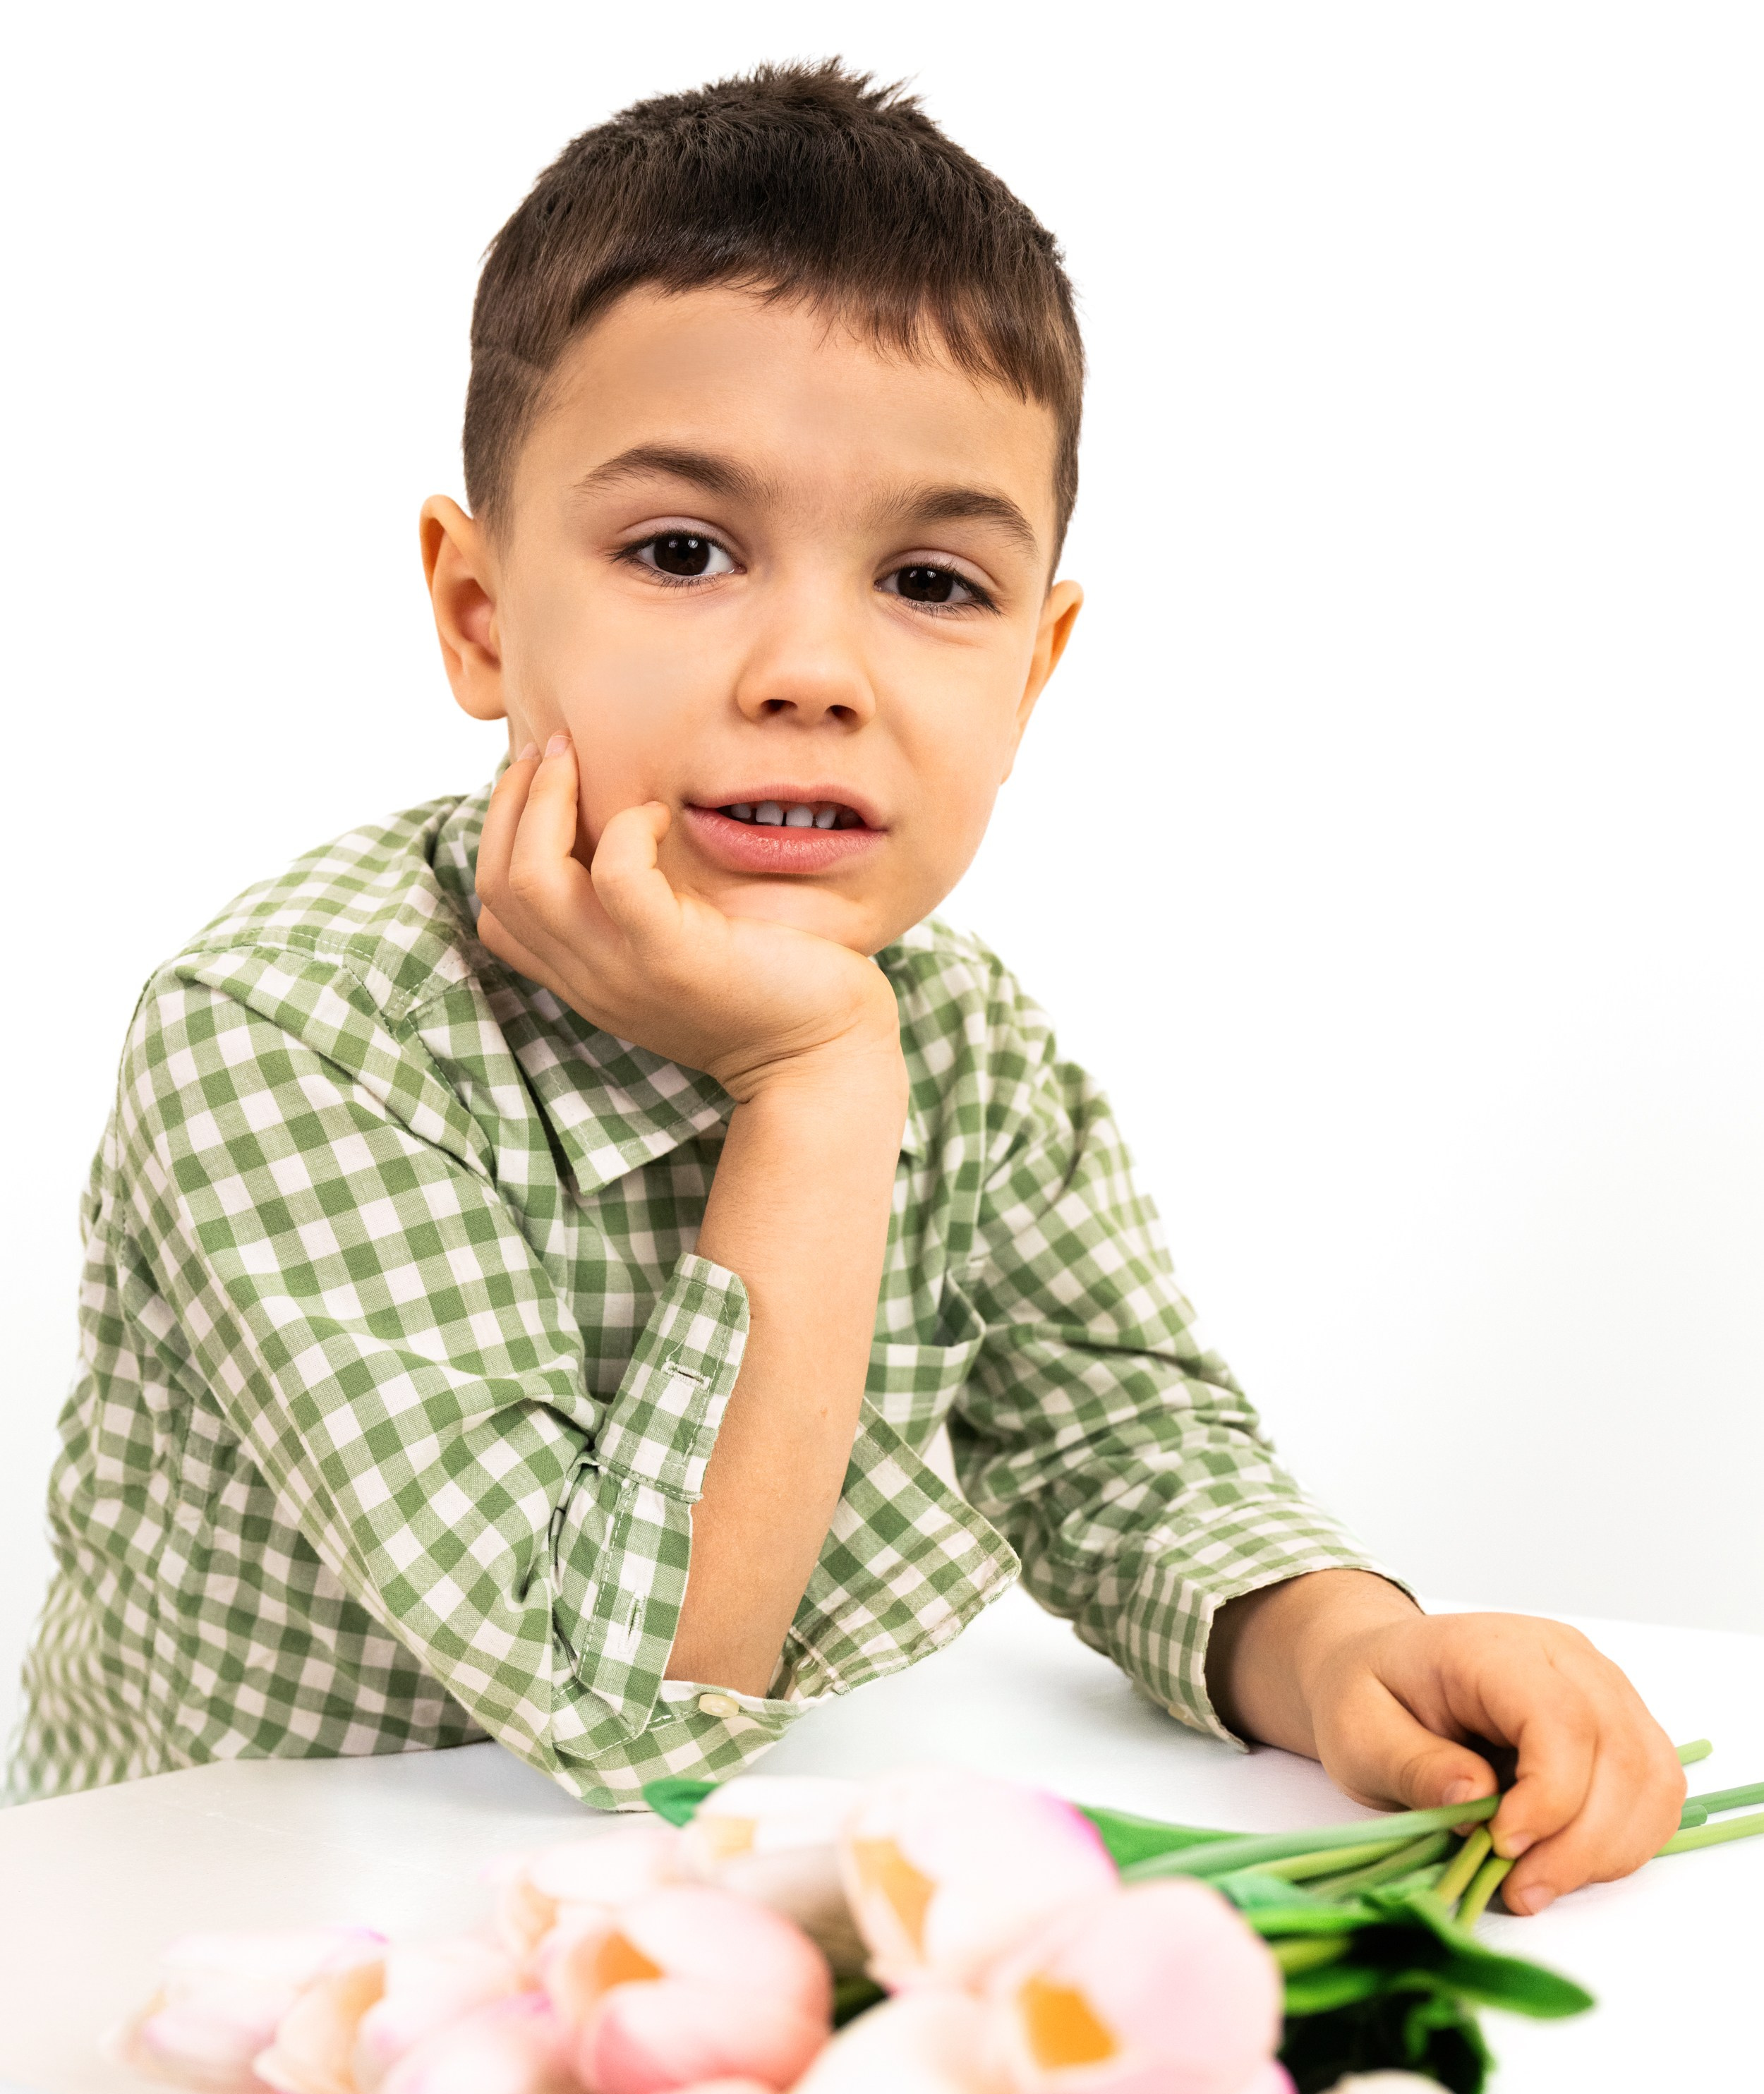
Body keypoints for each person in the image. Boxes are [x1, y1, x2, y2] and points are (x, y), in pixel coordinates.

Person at [11, 63, 1683, 1915]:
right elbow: (622, 1716)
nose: (811, 667)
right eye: (680, 551)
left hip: (659, 1940)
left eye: (929, 581)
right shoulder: (296, 1035)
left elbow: (1122, 1448)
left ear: (1035, 668)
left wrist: (1341, 1647)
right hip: (212, 1933)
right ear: (480, 616)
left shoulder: (957, 1037)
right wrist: (810, 1090)